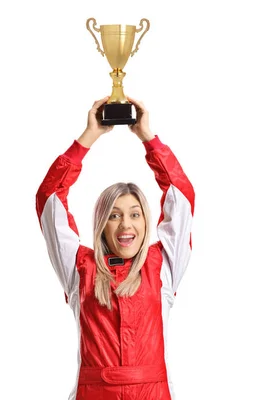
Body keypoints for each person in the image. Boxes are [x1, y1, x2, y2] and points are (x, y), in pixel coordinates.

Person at [35, 95, 195, 400]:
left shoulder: (162, 265)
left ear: (146, 222)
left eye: (135, 214)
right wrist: (88, 137)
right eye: (114, 215)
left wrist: (149, 139)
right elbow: (50, 199)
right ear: (101, 224)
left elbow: (182, 197)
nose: (125, 225)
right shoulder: (79, 268)